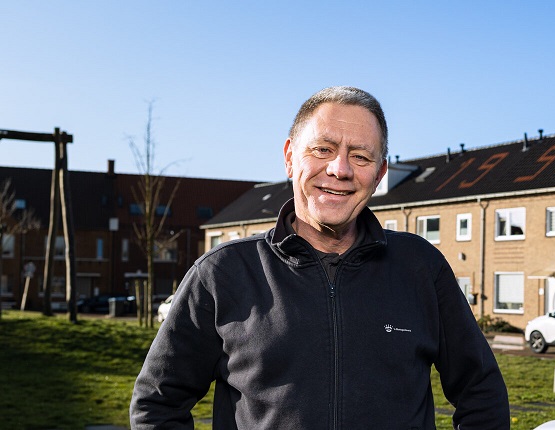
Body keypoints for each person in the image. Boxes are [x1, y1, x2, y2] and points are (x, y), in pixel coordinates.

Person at [130, 86, 510, 429]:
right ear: (290, 157)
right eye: (322, 149)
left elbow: (482, 393)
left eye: (360, 156)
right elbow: (157, 405)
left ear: (379, 175)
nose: (339, 169)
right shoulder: (223, 273)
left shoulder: (421, 268)